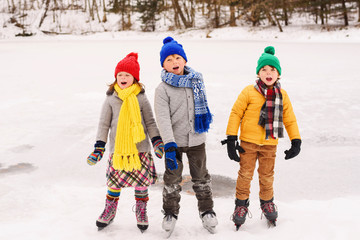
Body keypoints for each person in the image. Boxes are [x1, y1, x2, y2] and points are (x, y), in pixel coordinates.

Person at [222, 46, 301, 229]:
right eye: (264, 69)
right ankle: (241, 205)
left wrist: (296, 140)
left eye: (272, 70)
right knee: (245, 175)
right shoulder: (249, 92)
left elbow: (289, 119)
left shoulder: (282, 95)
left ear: (278, 74)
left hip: (269, 144)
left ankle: (267, 202)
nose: (268, 73)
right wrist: (231, 138)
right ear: (258, 73)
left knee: (267, 176)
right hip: (247, 144)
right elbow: (236, 113)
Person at [87, 52, 164, 232]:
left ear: (135, 79)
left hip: (141, 148)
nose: (123, 78)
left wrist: (157, 141)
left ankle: (141, 209)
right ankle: (110, 210)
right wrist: (99, 147)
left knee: (141, 183)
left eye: (127, 75)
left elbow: (150, 122)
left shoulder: (141, 97)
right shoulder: (111, 98)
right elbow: (104, 124)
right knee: (114, 183)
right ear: (116, 78)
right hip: (119, 150)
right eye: (120, 75)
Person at [154, 36, 218, 235]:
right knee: (172, 179)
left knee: (201, 177)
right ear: (163, 65)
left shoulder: (196, 81)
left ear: (184, 60)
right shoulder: (162, 89)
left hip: (197, 139)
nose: (174, 62)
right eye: (169, 60)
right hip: (174, 143)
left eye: (177, 58)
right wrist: (169, 145)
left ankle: (207, 210)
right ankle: (170, 213)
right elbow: (163, 119)